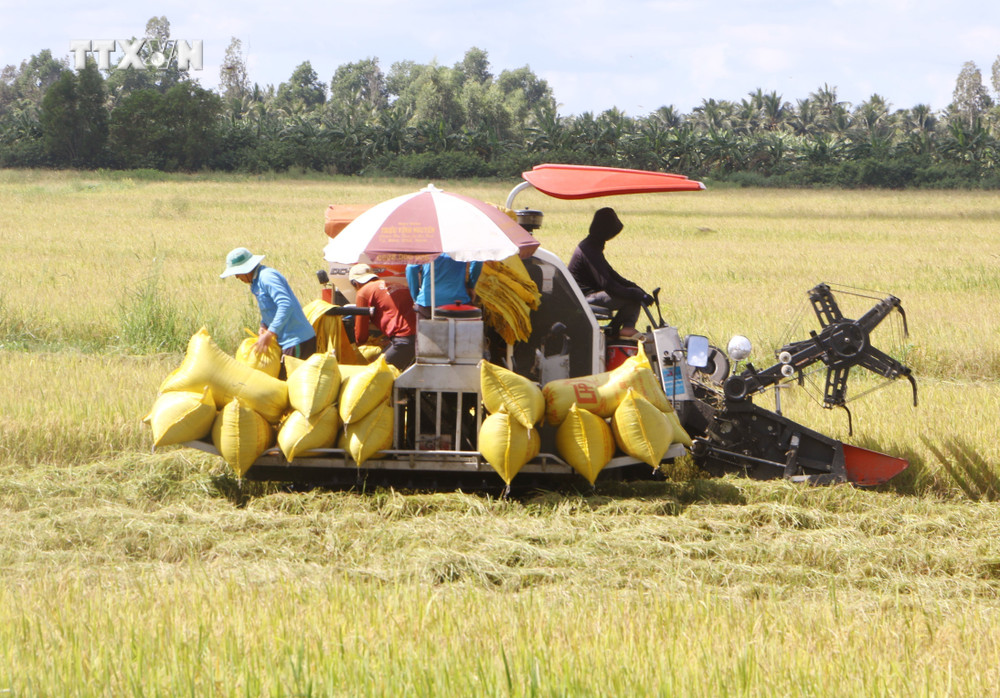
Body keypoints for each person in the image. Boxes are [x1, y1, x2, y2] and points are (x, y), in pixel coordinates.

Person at [220, 247, 317, 366]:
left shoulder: (267, 277)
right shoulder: (256, 283)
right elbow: (270, 308)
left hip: (297, 341)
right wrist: (264, 325)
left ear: (246, 270)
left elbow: (286, 304)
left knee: (289, 381)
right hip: (287, 342)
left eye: (237, 273)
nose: (236, 277)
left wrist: (270, 333)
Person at [567, 207, 653, 338]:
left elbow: (613, 275)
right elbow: (607, 283)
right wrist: (635, 293)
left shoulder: (593, 246)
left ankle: (614, 332)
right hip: (582, 299)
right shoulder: (588, 250)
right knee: (631, 298)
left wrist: (638, 289)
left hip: (589, 295)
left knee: (633, 295)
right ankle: (623, 329)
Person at [349, 263, 418, 371]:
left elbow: (361, 335)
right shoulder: (396, 285)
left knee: (375, 373)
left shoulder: (363, 292)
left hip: (405, 340)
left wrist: (361, 347)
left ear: (355, 283)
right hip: (421, 337)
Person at [406, 254, 482, 318]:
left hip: (427, 301)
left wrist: (416, 296)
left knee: (426, 334)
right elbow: (478, 260)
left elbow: (411, 268)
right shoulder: (460, 244)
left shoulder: (427, 244)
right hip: (458, 300)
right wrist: (471, 285)